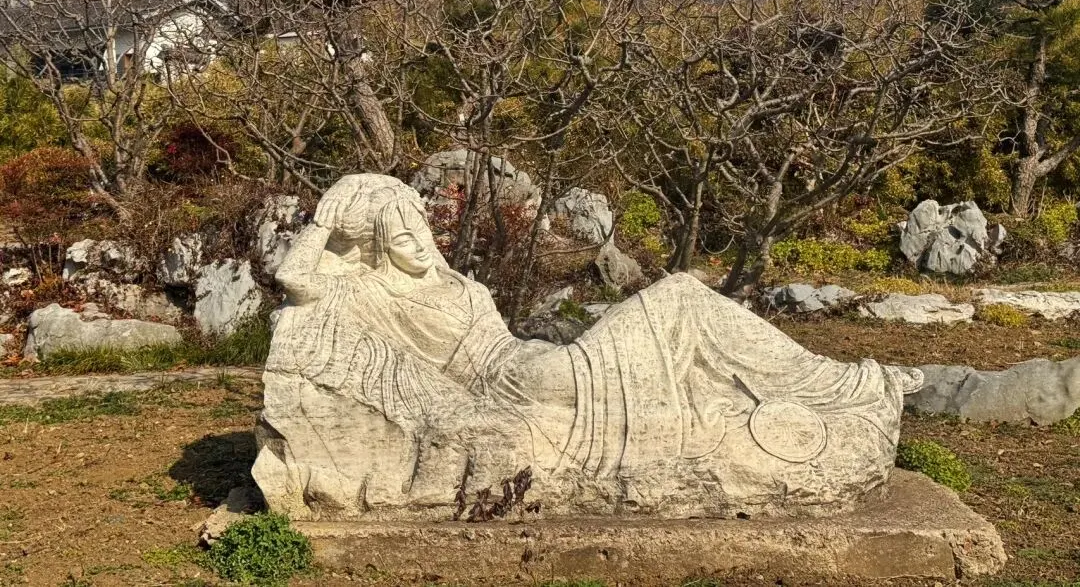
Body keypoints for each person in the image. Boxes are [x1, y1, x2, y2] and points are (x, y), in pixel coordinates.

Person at [261, 174, 922, 518]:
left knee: (686, 310)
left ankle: (828, 387)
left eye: (420, 231)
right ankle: (845, 385)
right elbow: (297, 280)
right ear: (376, 245)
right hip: (523, 382)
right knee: (682, 296)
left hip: (534, 362)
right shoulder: (370, 292)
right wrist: (328, 217)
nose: (419, 245)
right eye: (400, 238)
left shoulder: (450, 282)